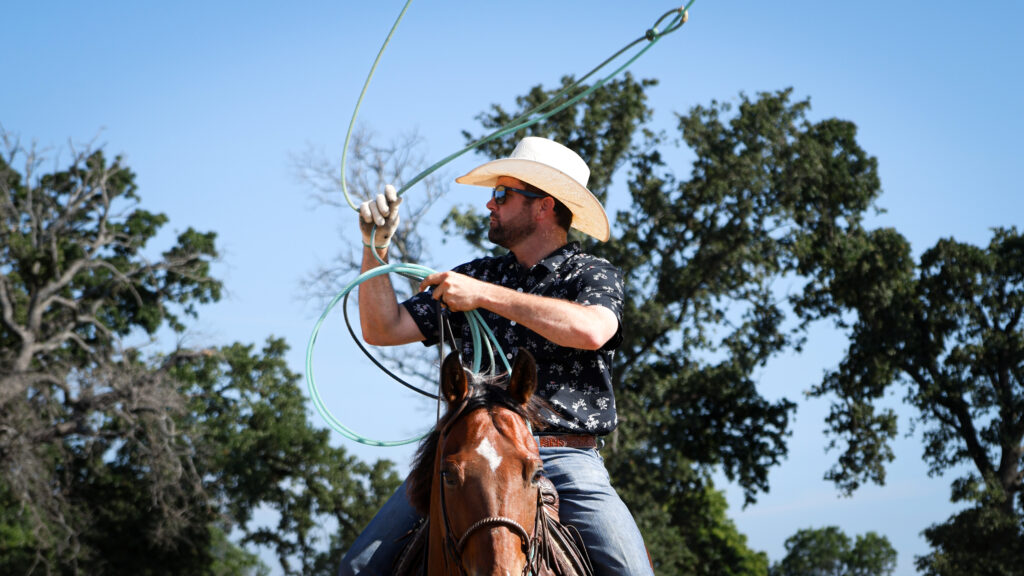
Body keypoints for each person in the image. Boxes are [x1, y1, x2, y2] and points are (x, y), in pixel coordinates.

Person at [340, 136, 652, 575]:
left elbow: (591, 329)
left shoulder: (590, 274)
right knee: (359, 567)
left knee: (631, 572)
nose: (490, 205)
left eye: (501, 195)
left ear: (543, 206)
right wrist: (375, 248)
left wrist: (483, 296)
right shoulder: (475, 276)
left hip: (564, 458)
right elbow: (382, 328)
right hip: (469, 456)